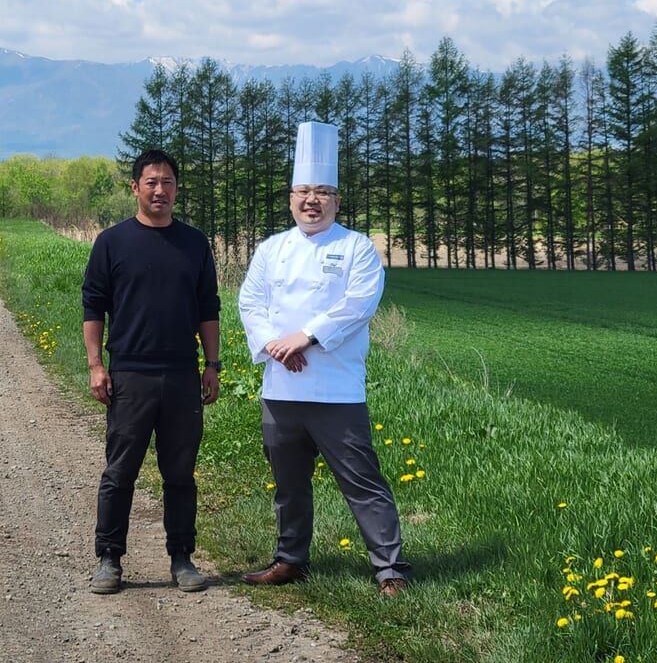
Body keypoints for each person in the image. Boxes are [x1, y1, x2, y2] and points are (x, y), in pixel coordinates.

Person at [237, 121, 411, 598]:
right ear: (290, 198)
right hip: (281, 387)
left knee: (362, 480)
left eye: (322, 192)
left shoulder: (356, 247)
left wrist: (305, 338)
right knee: (288, 483)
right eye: (303, 192)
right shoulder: (272, 249)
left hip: (336, 388)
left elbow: (358, 304)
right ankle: (290, 559)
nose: (311, 200)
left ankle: (389, 569)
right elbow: (250, 302)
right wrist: (276, 343)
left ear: (336, 201)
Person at [82, 149, 222, 595]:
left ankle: (182, 557)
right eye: (151, 182)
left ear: (177, 189)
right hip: (130, 374)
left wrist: (212, 364)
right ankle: (109, 558)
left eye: (168, 183)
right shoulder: (112, 242)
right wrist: (96, 365)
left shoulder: (195, 243)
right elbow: (93, 306)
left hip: (182, 374)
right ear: (135, 188)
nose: (160, 190)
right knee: (120, 472)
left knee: (180, 473)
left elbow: (208, 308)